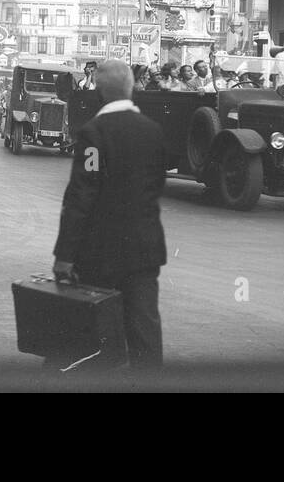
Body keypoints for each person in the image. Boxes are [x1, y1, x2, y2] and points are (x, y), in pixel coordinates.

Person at [53, 58, 167, 368]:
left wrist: (65, 254)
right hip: (145, 251)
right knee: (144, 332)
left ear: (100, 94)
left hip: (100, 253)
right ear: (132, 90)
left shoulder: (93, 134)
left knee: (96, 336)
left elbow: (82, 194)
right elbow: (156, 185)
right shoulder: (153, 131)